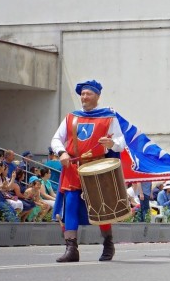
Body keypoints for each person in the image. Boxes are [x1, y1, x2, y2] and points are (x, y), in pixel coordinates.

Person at [50, 79, 126, 262]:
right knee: (71, 206)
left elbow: (122, 144)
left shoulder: (109, 117)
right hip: (73, 169)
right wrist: (61, 153)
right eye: (82, 94)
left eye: (88, 94)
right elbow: (56, 139)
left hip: (97, 168)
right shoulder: (71, 117)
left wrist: (112, 143)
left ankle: (108, 243)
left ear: (97, 96)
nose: (84, 97)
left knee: (101, 206)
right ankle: (71, 249)